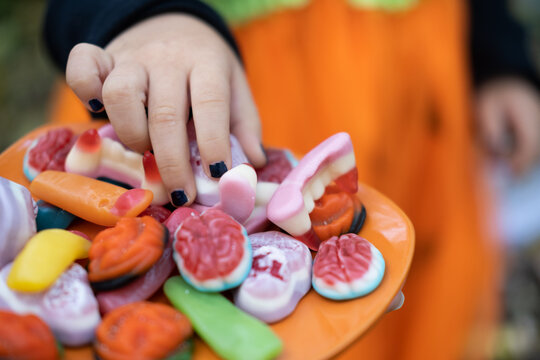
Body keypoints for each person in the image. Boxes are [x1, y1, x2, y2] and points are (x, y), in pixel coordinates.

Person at [44, 0, 540, 358]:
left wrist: (496, 55)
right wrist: (144, 15)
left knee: (398, 294)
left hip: (407, 85)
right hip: (204, 91)